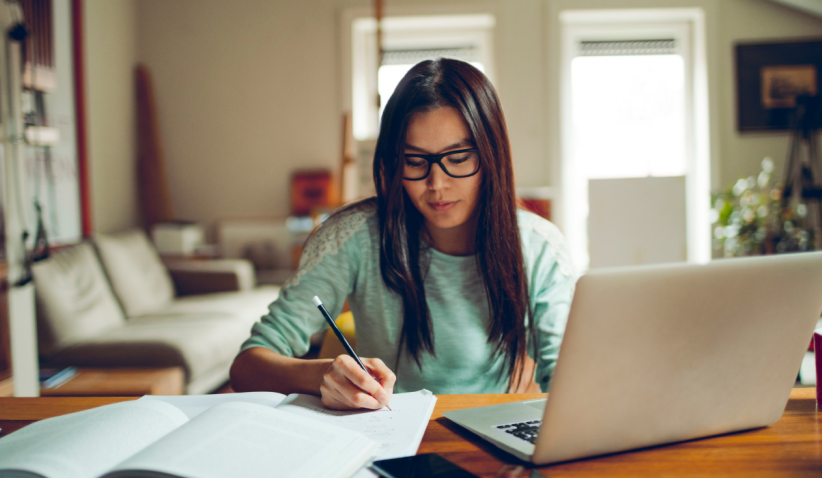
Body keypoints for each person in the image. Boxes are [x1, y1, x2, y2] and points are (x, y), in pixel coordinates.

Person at [229, 58, 575, 410]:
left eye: (457, 158)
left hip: (488, 441)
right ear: (394, 163)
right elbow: (247, 367)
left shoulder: (538, 244)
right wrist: (321, 375)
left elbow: (569, 378)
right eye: (414, 161)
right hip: (386, 438)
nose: (436, 184)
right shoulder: (352, 238)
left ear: (491, 156)